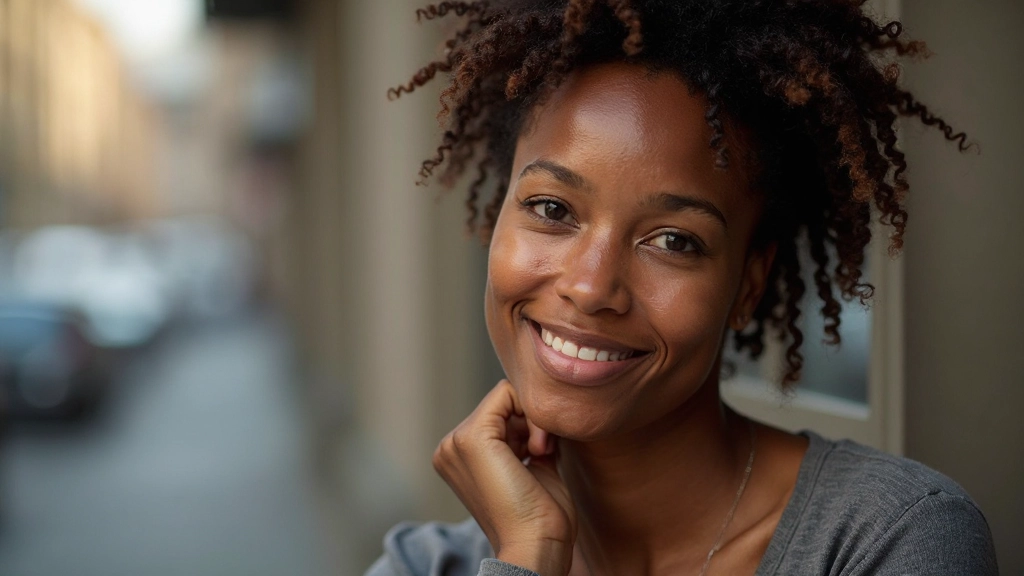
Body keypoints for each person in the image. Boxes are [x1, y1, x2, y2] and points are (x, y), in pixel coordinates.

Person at [370, 1, 998, 575]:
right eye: (552, 209)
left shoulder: (892, 538)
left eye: (673, 240)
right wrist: (530, 553)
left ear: (748, 285)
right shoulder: (424, 566)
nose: (591, 287)